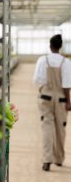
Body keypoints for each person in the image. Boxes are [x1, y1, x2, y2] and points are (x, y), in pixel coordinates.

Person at [33, 34, 71, 171]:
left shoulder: (43, 60)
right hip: (61, 98)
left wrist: (44, 89)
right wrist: (68, 101)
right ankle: (59, 158)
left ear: (50, 46)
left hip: (46, 97)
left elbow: (37, 80)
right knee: (61, 128)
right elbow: (67, 84)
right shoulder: (66, 62)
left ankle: (47, 160)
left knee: (47, 127)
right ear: (60, 47)